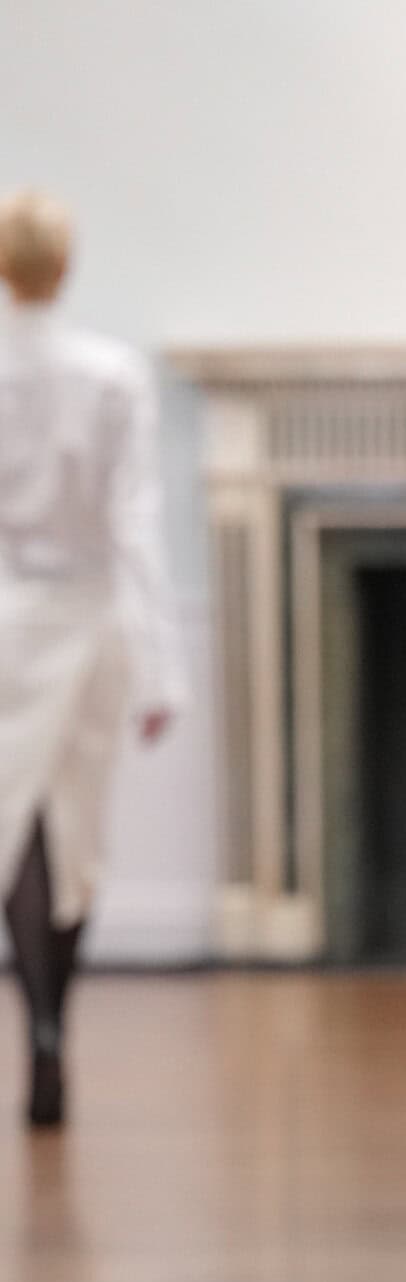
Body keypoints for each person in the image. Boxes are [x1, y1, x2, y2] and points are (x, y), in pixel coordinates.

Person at [0, 188, 186, 1127]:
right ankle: (52, 1026)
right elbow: (133, 525)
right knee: (75, 833)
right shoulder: (111, 375)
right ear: (65, 266)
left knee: (21, 830)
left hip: (7, 622)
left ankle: (36, 1018)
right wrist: (162, 668)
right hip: (91, 626)